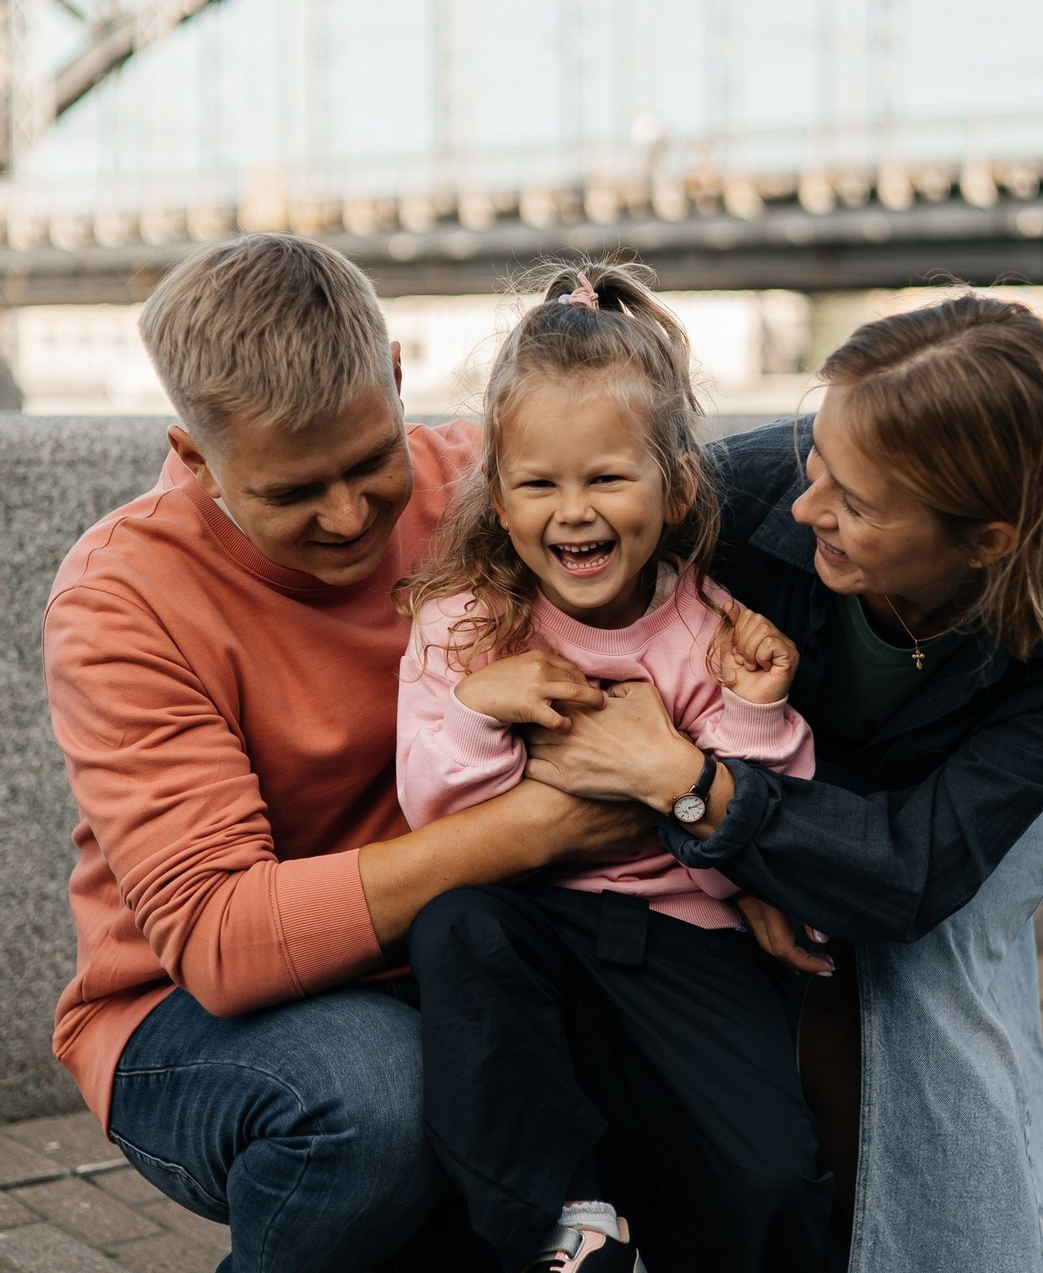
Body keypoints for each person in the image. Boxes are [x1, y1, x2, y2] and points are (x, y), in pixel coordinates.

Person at [519, 293, 1043, 1273]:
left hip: (977, 751)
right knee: (806, 950)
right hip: (762, 755)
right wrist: (741, 856)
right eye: (814, 455)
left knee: (930, 964)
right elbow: (543, 571)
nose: (803, 505)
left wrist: (699, 790)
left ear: (987, 538)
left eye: (852, 503)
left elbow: (910, 873)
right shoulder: (739, 498)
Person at [41, 233, 654, 1273]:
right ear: (195, 459)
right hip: (187, 1021)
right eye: (290, 492)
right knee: (377, 1095)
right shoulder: (121, 599)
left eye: (371, 459)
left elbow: (698, 482)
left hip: (453, 965)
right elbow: (224, 939)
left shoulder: (482, 486)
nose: (349, 514)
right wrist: (530, 827)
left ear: (398, 376)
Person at [395, 264, 831, 1273]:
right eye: (538, 483)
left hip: (684, 942)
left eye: (605, 478)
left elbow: (763, 829)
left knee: (767, 1178)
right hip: (532, 922)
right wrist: (475, 711)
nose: (572, 511)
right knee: (455, 929)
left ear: (674, 486)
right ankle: (563, 1221)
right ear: (497, 499)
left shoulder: (713, 630)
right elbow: (433, 809)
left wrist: (755, 713)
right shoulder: (462, 628)